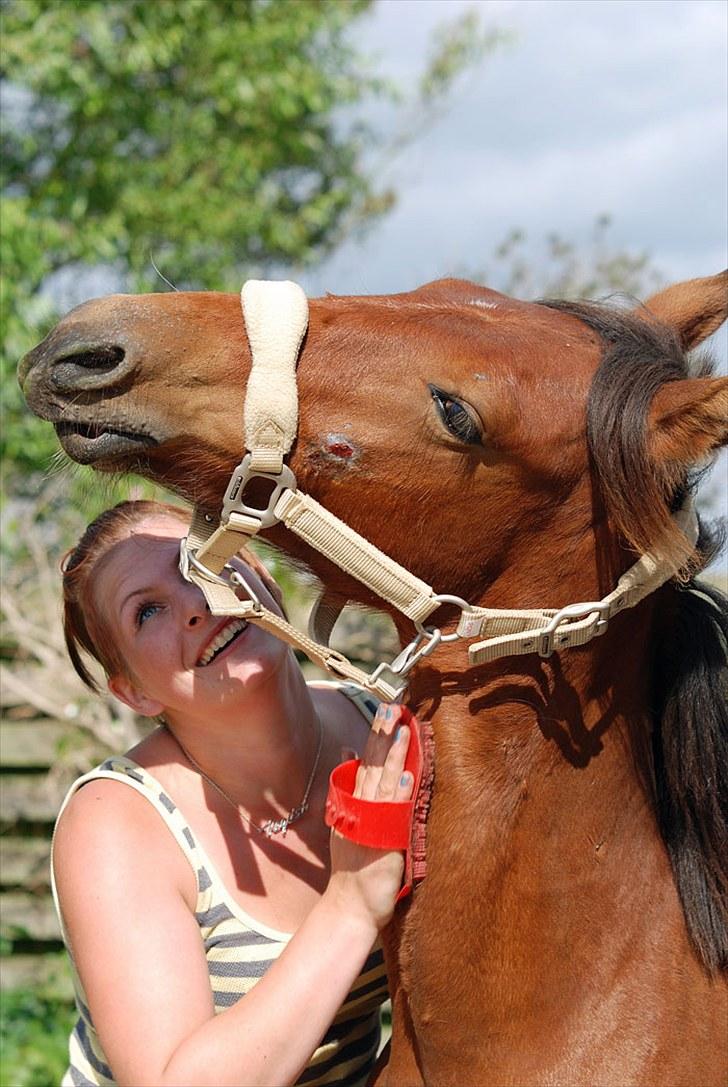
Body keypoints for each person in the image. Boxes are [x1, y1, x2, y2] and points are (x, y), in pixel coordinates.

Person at [52, 499, 414, 1087]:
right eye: (147, 612)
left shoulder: (384, 730)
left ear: (262, 577)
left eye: (202, 561)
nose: (197, 603)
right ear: (135, 695)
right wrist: (349, 904)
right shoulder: (114, 823)